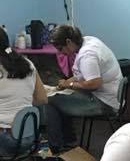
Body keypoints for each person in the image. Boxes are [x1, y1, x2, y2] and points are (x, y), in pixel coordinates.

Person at [0, 25, 48, 156]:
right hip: (30, 136)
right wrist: (19, 102)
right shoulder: (28, 64)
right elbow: (42, 99)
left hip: (5, 140)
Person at [45, 25, 123, 153]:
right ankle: (69, 140)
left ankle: (56, 147)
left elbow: (94, 84)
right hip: (111, 96)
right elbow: (84, 73)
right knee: (61, 99)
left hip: (104, 103)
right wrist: (68, 82)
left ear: (68, 42)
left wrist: (70, 85)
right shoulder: (89, 41)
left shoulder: (87, 55)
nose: (60, 53)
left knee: (50, 101)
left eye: (60, 48)